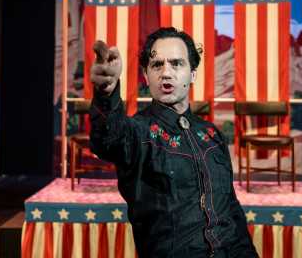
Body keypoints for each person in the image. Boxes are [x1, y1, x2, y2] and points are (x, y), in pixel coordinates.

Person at [90, 27, 258, 258]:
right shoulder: (138, 131)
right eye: (157, 65)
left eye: (177, 63)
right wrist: (106, 93)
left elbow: (231, 210)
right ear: (146, 75)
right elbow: (108, 140)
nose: (166, 73)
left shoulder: (211, 135)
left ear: (193, 74)